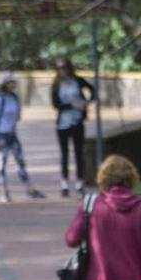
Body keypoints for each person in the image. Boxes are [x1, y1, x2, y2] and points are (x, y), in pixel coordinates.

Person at [0, 71, 44, 202]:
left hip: (12, 133)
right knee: (1, 163)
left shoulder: (14, 98)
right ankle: (4, 191)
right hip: (1, 135)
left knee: (20, 161)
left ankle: (29, 188)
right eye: (11, 83)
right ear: (5, 84)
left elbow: (16, 116)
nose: (13, 85)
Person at [51, 56, 96, 198]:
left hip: (77, 121)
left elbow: (92, 90)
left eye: (64, 67)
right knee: (64, 153)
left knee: (79, 152)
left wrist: (86, 102)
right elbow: (55, 104)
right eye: (59, 68)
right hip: (63, 123)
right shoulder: (56, 85)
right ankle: (64, 184)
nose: (62, 71)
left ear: (69, 67)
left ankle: (80, 183)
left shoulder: (77, 81)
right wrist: (72, 105)